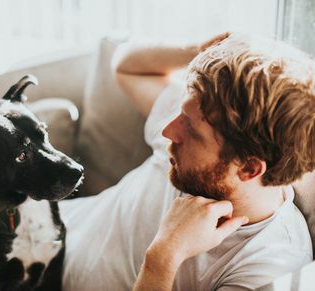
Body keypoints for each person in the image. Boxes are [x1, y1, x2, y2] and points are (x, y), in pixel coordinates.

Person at [58, 33, 314, 291]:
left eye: (191, 131)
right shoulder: (199, 113)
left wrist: (163, 257)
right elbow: (125, 67)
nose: (169, 131)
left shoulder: (267, 269)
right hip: (47, 224)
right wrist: (197, 51)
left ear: (248, 168)